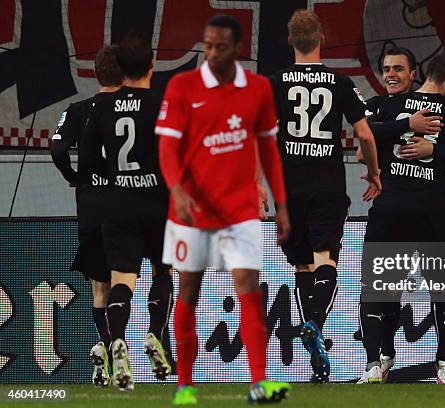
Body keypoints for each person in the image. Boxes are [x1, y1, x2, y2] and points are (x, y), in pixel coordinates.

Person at [156, 15, 291, 405]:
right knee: (189, 290)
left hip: (240, 209)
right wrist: (178, 189)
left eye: (219, 46)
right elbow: (167, 148)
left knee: (248, 288)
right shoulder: (183, 86)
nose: (211, 53)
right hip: (191, 211)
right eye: (208, 45)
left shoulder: (259, 89)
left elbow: (268, 149)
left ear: (237, 49)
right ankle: (184, 386)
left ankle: (259, 384)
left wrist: (280, 203)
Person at [268, 9, 381, 384]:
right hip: (327, 185)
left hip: (289, 188)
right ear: (322, 40)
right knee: (325, 259)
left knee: (302, 265)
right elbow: (365, 134)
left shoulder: (274, 83)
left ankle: (315, 352)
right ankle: (314, 323)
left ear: (289, 41)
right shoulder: (339, 82)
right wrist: (374, 171)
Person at [357, 52, 445, 384]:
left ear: (418, 74)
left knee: (379, 288)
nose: (391, 74)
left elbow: (362, 140)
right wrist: (435, 149)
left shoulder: (388, 104)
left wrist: (377, 163)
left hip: (389, 210)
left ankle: (375, 363)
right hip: (432, 212)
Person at [81, 33, 175, 391]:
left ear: (121, 71)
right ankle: (154, 335)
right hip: (157, 203)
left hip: (117, 203)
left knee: (122, 280)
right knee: (162, 271)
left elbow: (88, 160)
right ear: (151, 66)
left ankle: (117, 339)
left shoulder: (102, 107)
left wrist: (117, 178)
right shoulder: (161, 105)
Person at [51, 44, 122, 387]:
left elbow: (58, 146)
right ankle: (117, 347)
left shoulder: (78, 109)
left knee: (100, 287)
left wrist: (71, 176)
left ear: (95, 73)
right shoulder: (135, 109)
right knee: (133, 279)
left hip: (91, 203)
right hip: (127, 201)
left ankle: (106, 347)